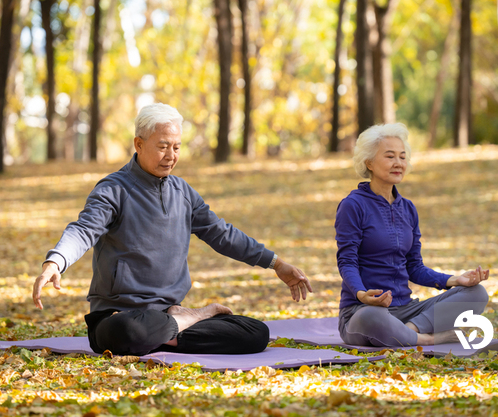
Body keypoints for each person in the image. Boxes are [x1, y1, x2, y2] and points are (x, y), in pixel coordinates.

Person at [32, 103, 312, 356]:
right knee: (126, 333)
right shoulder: (114, 189)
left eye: (176, 147)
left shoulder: (183, 193)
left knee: (255, 333)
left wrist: (275, 263)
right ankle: (194, 318)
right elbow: (83, 229)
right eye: (163, 146)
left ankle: (172, 329)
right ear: (139, 144)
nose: (170, 156)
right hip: (120, 315)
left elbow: (222, 234)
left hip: (166, 315)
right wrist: (56, 261)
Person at [336, 123, 489, 347]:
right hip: (362, 311)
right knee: (372, 317)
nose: (398, 163)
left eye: (402, 157)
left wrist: (455, 280)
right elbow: (347, 261)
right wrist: (360, 294)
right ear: (368, 162)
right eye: (390, 157)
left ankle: (409, 331)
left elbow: (414, 267)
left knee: (477, 294)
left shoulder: (407, 208)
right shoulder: (353, 205)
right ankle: (428, 339)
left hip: (407, 311)